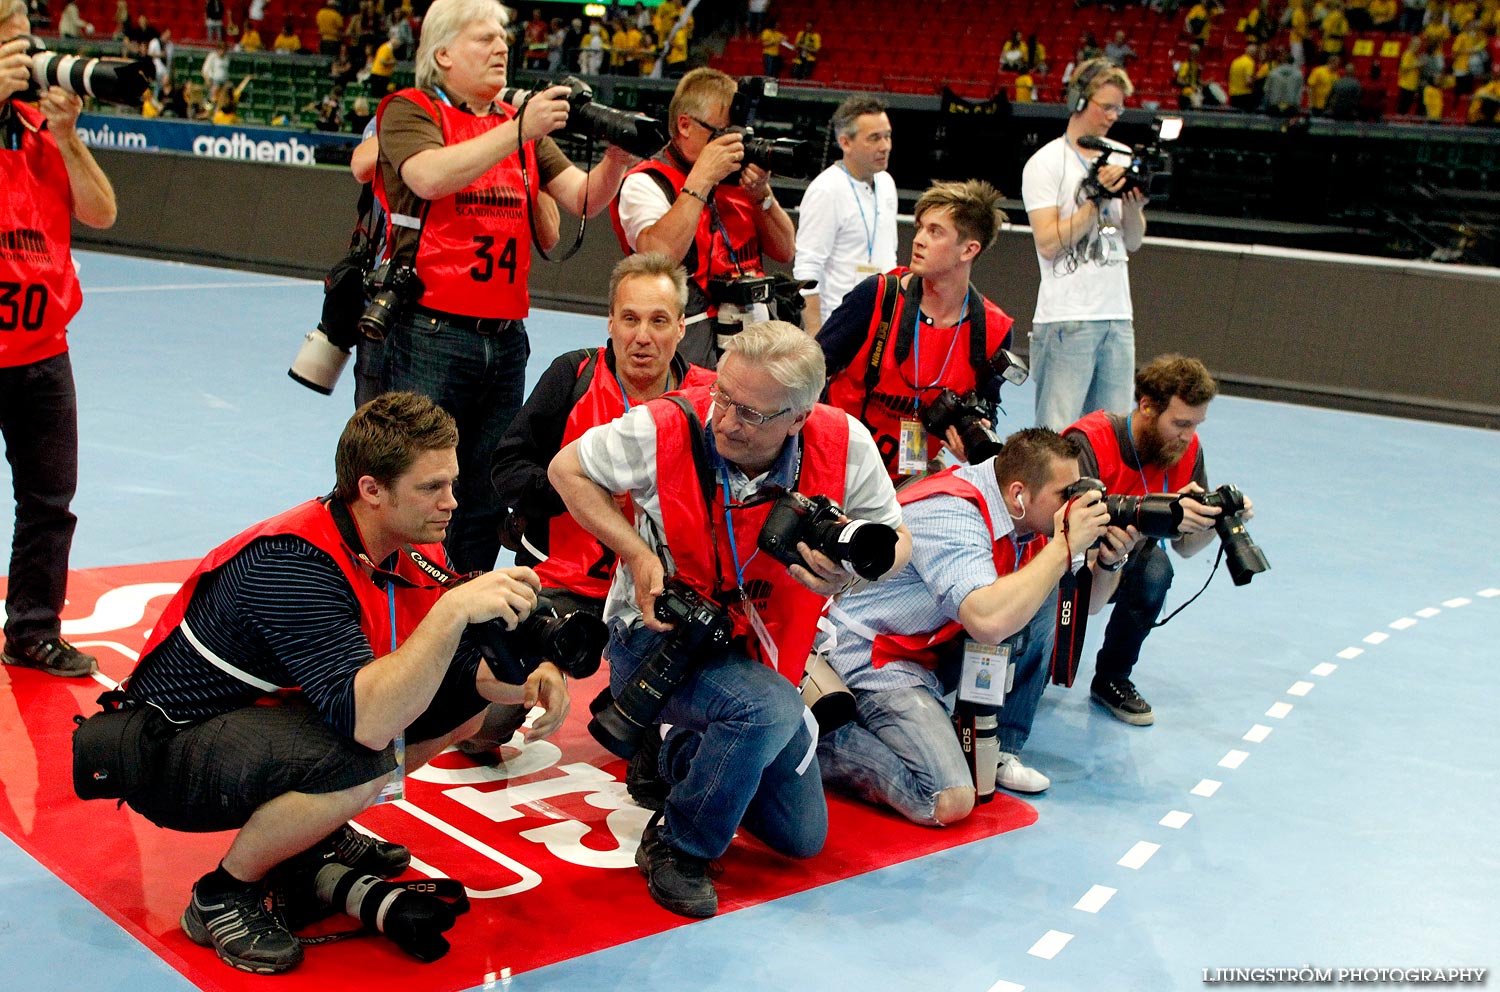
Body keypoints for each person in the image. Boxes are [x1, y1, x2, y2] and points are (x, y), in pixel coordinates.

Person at [116, 392, 569, 975]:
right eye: (432, 487)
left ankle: (313, 834)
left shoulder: (403, 545)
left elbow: (442, 670)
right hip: (166, 748)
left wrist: (526, 678)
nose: (452, 502)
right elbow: (370, 721)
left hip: (257, 722)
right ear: (372, 489)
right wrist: (454, 610)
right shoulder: (294, 563)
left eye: (452, 483)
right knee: (362, 753)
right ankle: (224, 893)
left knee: (465, 706)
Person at [549, 321, 911, 918]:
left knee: (801, 838)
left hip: (767, 652)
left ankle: (675, 752)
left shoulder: (845, 442)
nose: (724, 420)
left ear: (799, 418)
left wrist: (848, 576)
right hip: (660, 639)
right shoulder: (666, 425)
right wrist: (636, 553)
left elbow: (897, 540)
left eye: (750, 413)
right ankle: (678, 845)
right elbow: (567, 470)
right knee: (765, 708)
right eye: (723, 395)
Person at [372, 0, 637, 575]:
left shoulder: (519, 126)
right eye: (484, 38)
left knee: (487, 485)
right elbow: (428, 175)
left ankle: (463, 600)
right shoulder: (410, 109)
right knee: (417, 477)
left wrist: (616, 156)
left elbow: (584, 197)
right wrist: (520, 129)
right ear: (442, 54)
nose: (501, 48)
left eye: (505, 38)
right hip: (431, 329)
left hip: (506, 334)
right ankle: (400, 599)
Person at [818, 429, 1134, 819]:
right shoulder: (954, 513)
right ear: (1020, 494)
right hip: (869, 655)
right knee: (946, 799)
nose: (1073, 506)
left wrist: (1109, 562)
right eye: (1065, 495)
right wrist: (1064, 548)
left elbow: (1090, 606)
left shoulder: (1026, 517)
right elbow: (987, 621)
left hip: (928, 645)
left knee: (1040, 589)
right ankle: (813, 741)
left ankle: (1002, 748)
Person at [492, 251, 714, 617]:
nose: (642, 336)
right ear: (610, 322)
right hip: (564, 580)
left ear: (680, 327)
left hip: (671, 587)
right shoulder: (573, 375)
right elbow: (507, 467)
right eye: (630, 319)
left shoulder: (706, 397)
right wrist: (581, 492)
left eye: (658, 321)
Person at [0, 0, 116, 679]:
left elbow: (102, 211)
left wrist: (69, 138)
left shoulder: (40, 126)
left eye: (22, 22)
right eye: (8, 23)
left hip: (42, 350)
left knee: (49, 502)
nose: (24, 36)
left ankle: (33, 629)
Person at [1062, 354, 1250, 726]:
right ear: (1146, 406)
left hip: (1125, 556)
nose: (1188, 435)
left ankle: (1112, 678)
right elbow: (1065, 537)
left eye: (1197, 424)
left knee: (1155, 572)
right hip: (1070, 556)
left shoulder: (1186, 449)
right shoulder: (1090, 441)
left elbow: (1184, 548)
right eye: (1180, 423)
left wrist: (1215, 522)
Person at [818, 180, 1015, 481]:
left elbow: (987, 405)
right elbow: (813, 367)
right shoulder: (879, 296)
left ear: (969, 250)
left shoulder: (993, 329)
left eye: (935, 231)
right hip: (840, 458)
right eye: (920, 227)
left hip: (914, 469)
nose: (918, 239)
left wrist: (976, 436)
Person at [611, 67, 796, 367]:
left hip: (752, 344)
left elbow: (786, 250)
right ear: (685, 125)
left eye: (739, 135)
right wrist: (701, 180)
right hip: (686, 352)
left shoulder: (736, 179)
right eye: (723, 134)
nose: (734, 145)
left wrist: (762, 195)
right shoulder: (646, 181)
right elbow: (659, 259)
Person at [1022, 58, 1147, 432]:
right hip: (1067, 316)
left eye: (1119, 108)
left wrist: (1135, 207)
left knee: (1113, 433)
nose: (1113, 115)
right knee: (1057, 434)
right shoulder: (1045, 163)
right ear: (1079, 101)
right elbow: (1047, 243)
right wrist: (1095, 200)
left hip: (1117, 314)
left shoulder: (1122, 156)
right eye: (1106, 106)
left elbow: (1133, 241)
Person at [792, 95, 897, 335]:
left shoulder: (887, 183)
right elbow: (807, 269)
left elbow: (889, 256)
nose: (885, 146)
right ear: (845, 142)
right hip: (839, 324)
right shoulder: (826, 189)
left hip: (883, 322)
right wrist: (816, 334)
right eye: (874, 138)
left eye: (887, 135)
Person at [1228, 43, 1259, 111]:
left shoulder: (1235, 61)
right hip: (1245, 95)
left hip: (1233, 94)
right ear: (1254, 53)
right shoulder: (1249, 62)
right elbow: (1248, 81)